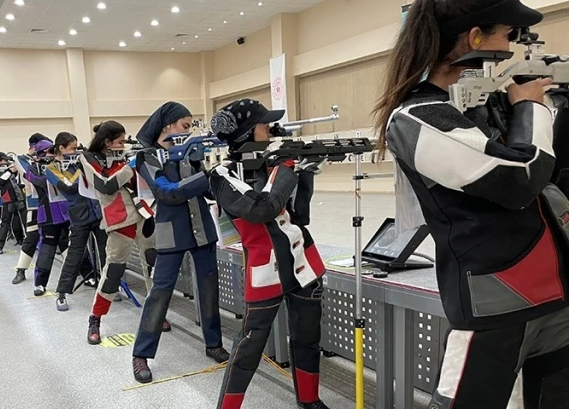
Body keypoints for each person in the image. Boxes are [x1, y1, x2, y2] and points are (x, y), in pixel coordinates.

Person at [373, 1, 569, 408]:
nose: (512, 46)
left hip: (555, 299)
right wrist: (531, 106)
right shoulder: (415, 119)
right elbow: (520, 180)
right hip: (494, 303)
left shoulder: (486, 103)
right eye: (508, 35)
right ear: (476, 37)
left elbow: (552, 174)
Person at [209, 99, 329, 409]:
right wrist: (285, 168)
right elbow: (261, 209)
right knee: (249, 347)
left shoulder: (270, 164)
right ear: (247, 131)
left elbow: (298, 216)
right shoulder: (222, 175)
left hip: (302, 263)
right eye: (264, 124)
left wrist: (305, 174)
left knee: (308, 337)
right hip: (265, 270)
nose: (270, 129)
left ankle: (310, 400)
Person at [130, 102, 228, 384]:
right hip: (171, 231)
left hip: (202, 229)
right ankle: (141, 354)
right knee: (160, 292)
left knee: (209, 288)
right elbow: (165, 192)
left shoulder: (189, 150)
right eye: (185, 125)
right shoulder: (147, 157)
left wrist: (222, 177)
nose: (188, 131)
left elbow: (206, 190)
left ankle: (214, 343)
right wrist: (206, 177)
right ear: (168, 125)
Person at [79, 121, 168, 344]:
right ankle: (95, 318)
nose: (123, 145)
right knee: (113, 272)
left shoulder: (123, 157)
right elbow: (105, 185)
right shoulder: (88, 158)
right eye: (119, 141)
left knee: (153, 266)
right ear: (107, 142)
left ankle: (157, 313)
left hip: (144, 215)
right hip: (120, 221)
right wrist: (130, 165)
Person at [45, 132, 106, 306]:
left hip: (97, 212)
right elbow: (69, 186)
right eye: (72, 149)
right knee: (74, 255)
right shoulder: (51, 168)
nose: (75, 152)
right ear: (61, 148)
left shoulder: (80, 162)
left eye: (77, 148)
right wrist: (81, 167)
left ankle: (109, 287)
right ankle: (62, 293)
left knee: (106, 251)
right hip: (79, 216)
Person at [14, 139, 70, 287]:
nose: (50, 153)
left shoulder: (60, 163)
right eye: (48, 150)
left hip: (62, 208)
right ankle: (22, 270)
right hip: (37, 207)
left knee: (67, 241)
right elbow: (37, 180)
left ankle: (80, 271)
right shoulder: (25, 161)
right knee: (35, 240)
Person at [11, 133, 55, 285]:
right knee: (31, 237)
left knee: (63, 238)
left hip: (53, 202)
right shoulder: (22, 159)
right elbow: (29, 175)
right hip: (35, 203)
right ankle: (21, 269)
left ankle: (82, 271)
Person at [0, 152, 26, 254]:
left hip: (19, 197)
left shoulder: (10, 169)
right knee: (5, 223)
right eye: (4, 160)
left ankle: (28, 242)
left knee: (25, 220)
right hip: (8, 199)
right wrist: (10, 170)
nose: (6, 161)